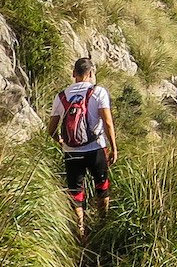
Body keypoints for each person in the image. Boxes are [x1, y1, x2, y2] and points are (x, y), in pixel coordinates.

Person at [49, 56, 118, 242]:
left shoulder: (61, 96)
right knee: (102, 186)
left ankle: (81, 233)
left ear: (74, 74)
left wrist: (61, 141)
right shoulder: (99, 92)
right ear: (90, 73)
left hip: (71, 151)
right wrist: (114, 148)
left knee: (76, 192)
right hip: (96, 148)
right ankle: (102, 224)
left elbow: (51, 130)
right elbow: (108, 123)